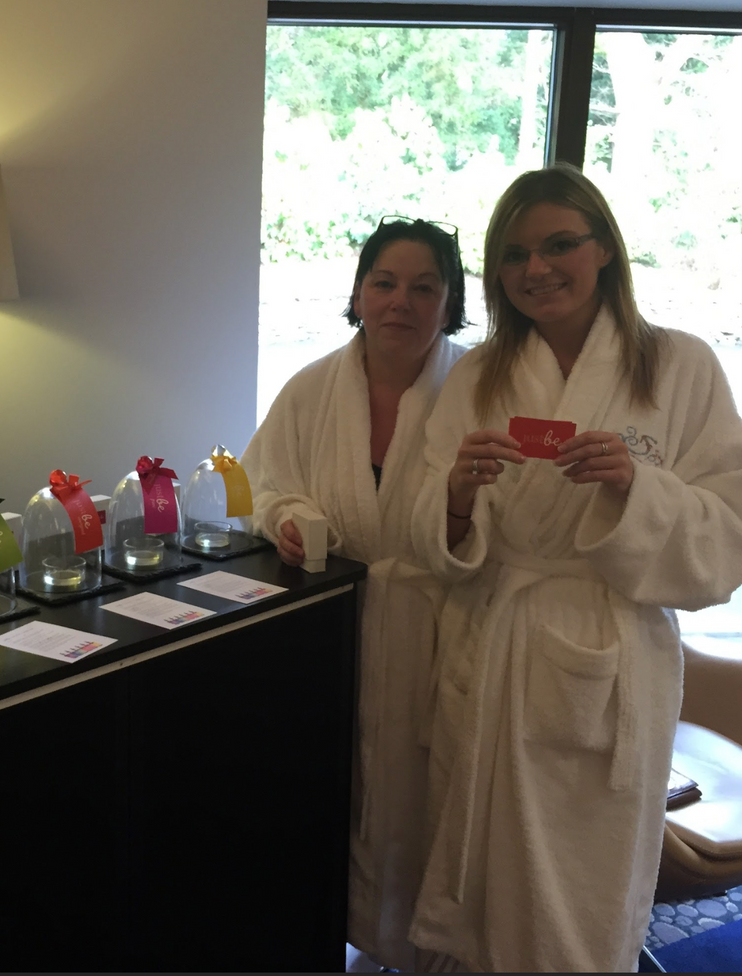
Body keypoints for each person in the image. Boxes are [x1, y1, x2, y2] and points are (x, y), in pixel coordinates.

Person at [408, 162, 742, 972]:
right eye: (515, 254)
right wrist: (455, 497)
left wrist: (636, 489)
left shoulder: (680, 365)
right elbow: (426, 528)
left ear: (604, 251)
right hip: (492, 646)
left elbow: (727, 532)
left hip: (613, 655)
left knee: (584, 896)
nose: (537, 269)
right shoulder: (478, 376)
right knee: (484, 880)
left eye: (560, 244)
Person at [241, 215, 468, 970]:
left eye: (423, 287)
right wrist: (283, 523)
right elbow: (261, 484)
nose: (400, 302)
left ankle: (426, 950)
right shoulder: (310, 391)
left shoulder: (474, 390)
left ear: (449, 302)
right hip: (333, 633)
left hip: (442, 629)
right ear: (359, 292)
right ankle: (341, 937)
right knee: (338, 791)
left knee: (429, 800)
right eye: (384, 282)